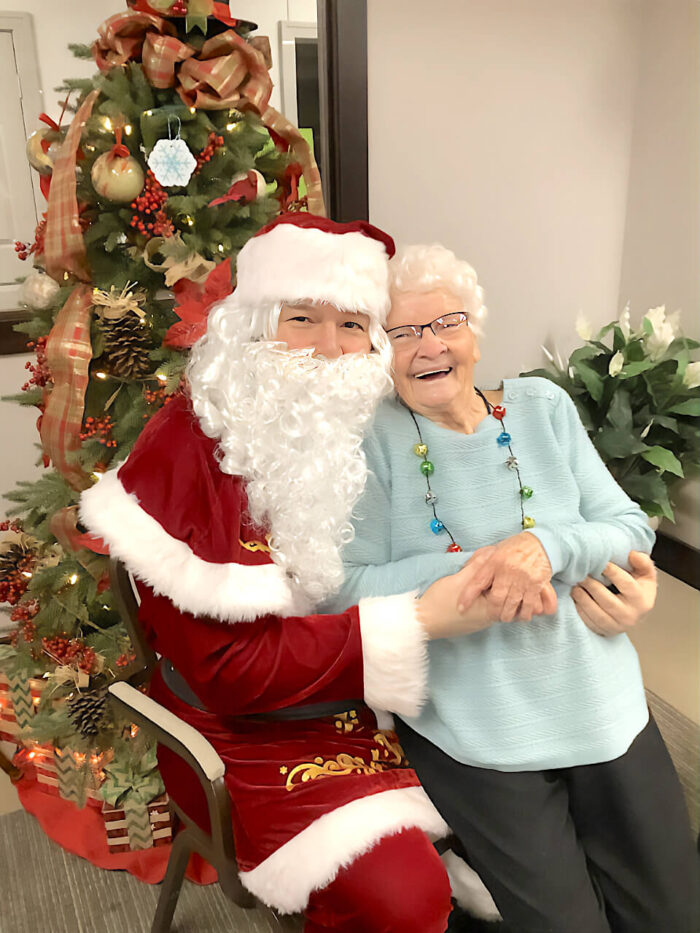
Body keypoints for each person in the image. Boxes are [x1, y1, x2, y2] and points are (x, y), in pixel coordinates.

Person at [80, 214, 518, 933]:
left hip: (403, 695)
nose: (327, 349)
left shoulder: (377, 416)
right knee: (406, 897)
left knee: (549, 811)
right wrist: (413, 623)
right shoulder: (192, 446)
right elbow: (226, 672)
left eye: (352, 325)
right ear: (252, 325)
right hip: (257, 732)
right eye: (302, 318)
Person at [326, 243, 700, 933]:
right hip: (477, 730)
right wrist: (489, 566)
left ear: (477, 330)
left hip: (602, 705)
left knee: (673, 915)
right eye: (402, 332)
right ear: (381, 348)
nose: (427, 346)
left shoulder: (541, 406)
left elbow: (628, 527)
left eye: (446, 322)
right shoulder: (370, 439)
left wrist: (548, 545)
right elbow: (342, 590)